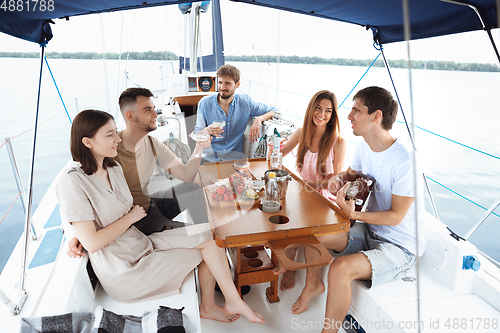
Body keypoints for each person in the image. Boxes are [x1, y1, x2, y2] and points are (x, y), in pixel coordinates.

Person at [57, 109, 264, 323]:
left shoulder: (113, 166)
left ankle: (223, 302)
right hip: (125, 270)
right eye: (110, 135)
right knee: (206, 250)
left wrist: (200, 148)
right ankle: (213, 304)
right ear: (88, 142)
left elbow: (184, 175)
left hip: (141, 243)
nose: (117, 139)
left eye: (116, 133)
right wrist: (84, 232)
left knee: (209, 237)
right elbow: (93, 242)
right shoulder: (72, 180)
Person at [294, 86, 425, 332]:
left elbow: (396, 217)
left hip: (400, 246)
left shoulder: (405, 160)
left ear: (376, 116)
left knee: (340, 269)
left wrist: (353, 215)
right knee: (312, 235)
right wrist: (338, 179)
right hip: (369, 231)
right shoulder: (365, 146)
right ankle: (312, 286)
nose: (349, 115)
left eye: (356, 109)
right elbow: (349, 175)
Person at [68, 87, 209, 258]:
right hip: (138, 221)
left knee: (192, 188)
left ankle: (210, 238)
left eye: (154, 108)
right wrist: (79, 233)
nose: (155, 114)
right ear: (130, 116)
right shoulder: (108, 149)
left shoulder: (152, 144)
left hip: (149, 205)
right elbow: (85, 190)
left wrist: (200, 148)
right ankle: (209, 242)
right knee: (205, 236)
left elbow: (187, 175)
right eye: (148, 109)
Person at [271, 90, 348, 290]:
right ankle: (290, 265)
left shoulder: (339, 142)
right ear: (311, 108)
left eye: (328, 111)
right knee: (277, 221)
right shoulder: (300, 133)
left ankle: (291, 268)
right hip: (302, 196)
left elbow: (335, 182)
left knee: (296, 232)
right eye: (318, 108)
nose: (322, 114)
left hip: (325, 202)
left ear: (333, 116)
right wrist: (275, 152)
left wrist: (307, 186)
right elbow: (277, 157)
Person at [195, 64, 276, 162]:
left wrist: (259, 119)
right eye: (220, 82)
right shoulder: (204, 103)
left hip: (234, 162)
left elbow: (275, 110)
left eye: (227, 83)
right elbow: (198, 134)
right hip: (208, 160)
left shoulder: (246, 103)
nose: (222, 87)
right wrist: (207, 131)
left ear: (237, 85)